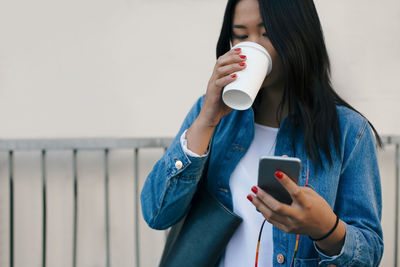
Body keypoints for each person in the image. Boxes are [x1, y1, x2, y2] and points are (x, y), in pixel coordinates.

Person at [140, 0, 384, 266]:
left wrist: (326, 228)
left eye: (267, 33)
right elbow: (157, 214)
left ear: (300, 34)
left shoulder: (349, 131)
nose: (253, 45)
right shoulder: (209, 114)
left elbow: (369, 253)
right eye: (241, 35)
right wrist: (206, 120)